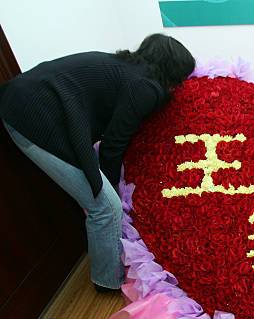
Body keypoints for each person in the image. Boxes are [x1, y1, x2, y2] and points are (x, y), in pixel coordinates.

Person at [0, 33, 195, 292]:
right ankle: (107, 282)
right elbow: (113, 145)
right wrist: (110, 188)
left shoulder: (126, 69)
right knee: (106, 207)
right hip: (33, 117)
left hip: (25, 103)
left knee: (102, 201)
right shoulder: (145, 87)